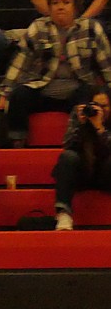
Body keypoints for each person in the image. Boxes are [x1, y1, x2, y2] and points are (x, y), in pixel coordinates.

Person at [0, 0, 111, 144]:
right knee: (18, 96)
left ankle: (78, 143)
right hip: (42, 89)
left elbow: (107, 66)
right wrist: (4, 94)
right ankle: (18, 144)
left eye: (65, 2)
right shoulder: (38, 27)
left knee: (87, 95)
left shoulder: (91, 28)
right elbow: (19, 63)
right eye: (55, 3)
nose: (60, 7)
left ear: (76, 7)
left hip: (77, 89)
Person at [52, 89, 111, 229]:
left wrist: (100, 128)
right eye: (96, 105)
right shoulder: (79, 115)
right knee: (68, 157)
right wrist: (81, 125)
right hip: (82, 172)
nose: (100, 110)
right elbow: (67, 145)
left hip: (106, 175)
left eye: (105, 106)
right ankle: (63, 214)